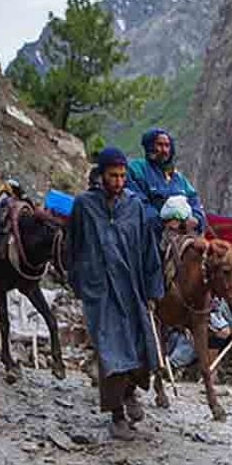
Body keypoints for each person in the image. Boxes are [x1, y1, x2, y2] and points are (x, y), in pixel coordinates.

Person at [66, 147, 165, 440]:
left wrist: (152, 289)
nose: (119, 181)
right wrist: (80, 283)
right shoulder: (85, 205)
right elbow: (73, 247)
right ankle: (116, 415)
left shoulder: (134, 207)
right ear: (101, 175)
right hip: (101, 291)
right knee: (111, 353)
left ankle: (131, 392)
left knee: (139, 347)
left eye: (123, 176)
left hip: (131, 287)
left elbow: (148, 250)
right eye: (113, 176)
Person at [126, 127, 205, 231]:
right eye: (159, 145)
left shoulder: (177, 176)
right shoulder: (136, 169)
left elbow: (194, 198)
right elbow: (138, 203)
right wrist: (162, 222)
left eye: (167, 145)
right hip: (150, 234)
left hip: (183, 233)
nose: (164, 150)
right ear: (149, 146)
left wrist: (196, 218)